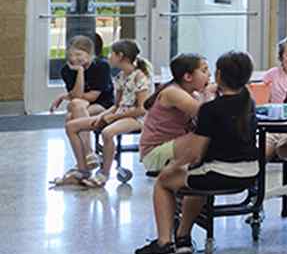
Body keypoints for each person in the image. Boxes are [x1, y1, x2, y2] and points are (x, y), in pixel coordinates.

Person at [137, 51, 261, 254]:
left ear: (220, 75)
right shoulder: (248, 101)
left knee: (168, 180)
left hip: (213, 168)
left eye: (210, 71)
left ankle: (164, 244)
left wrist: (174, 166)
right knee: (195, 172)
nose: (209, 76)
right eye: (204, 71)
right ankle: (182, 237)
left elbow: (196, 148)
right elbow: (208, 122)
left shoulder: (208, 107)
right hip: (250, 173)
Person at [69, 40, 155, 189]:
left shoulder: (140, 77)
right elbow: (117, 105)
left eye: (112, 53)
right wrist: (104, 115)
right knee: (71, 126)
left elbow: (142, 109)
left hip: (137, 118)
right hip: (121, 114)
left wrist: (114, 117)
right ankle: (83, 170)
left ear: (120, 56)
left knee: (108, 133)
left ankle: (104, 175)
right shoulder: (121, 76)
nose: (109, 56)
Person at [50, 36, 114, 186]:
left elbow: (92, 96)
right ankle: (88, 157)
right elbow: (77, 96)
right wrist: (79, 72)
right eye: (71, 55)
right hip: (83, 107)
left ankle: (83, 165)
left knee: (72, 115)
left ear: (90, 54)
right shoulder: (66, 70)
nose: (74, 58)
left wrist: (70, 95)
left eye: (79, 55)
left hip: (103, 106)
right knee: (75, 109)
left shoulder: (101, 66)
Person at [137, 54, 211, 177]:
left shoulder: (193, 95)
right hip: (154, 154)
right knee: (201, 137)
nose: (209, 75)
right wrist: (208, 93)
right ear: (188, 76)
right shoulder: (173, 93)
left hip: (174, 147)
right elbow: (207, 116)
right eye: (204, 70)